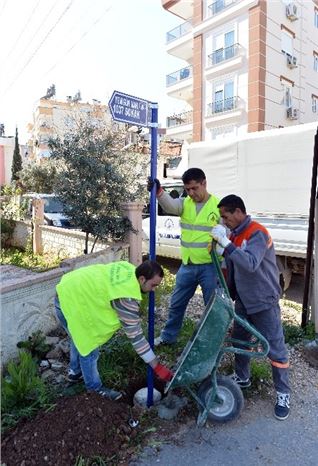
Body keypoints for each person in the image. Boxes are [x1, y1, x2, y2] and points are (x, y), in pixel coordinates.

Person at [211, 194, 290, 420]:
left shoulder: (258, 232)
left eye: (226, 217)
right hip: (244, 300)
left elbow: (251, 263)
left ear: (238, 212)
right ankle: (242, 377)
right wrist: (222, 248)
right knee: (240, 340)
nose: (224, 222)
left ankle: (283, 394)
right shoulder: (235, 234)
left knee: (275, 348)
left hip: (264, 300)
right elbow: (233, 265)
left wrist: (226, 243)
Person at [54, 260, 173, 401]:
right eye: (153, 285)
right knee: (89, 347)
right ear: (142, 279)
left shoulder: (128, 269)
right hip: (71, 300)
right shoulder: (125, 298)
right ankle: (94, 390)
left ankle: (75, 372)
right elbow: (137, 339)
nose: (154, 290)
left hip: (66, 290)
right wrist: (157, 366)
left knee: (78, 335)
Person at [148, 168, 221, 345]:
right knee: (176, 304)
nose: (191, 193)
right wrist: (159, 192)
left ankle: (212, 342)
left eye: (194, 188)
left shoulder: (218, 207)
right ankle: (168, 337)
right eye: (187, 189)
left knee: (212, 308)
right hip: (187, 265)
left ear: (204, 183)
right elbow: (171, 205)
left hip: (210, 267)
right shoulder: (185, 203)